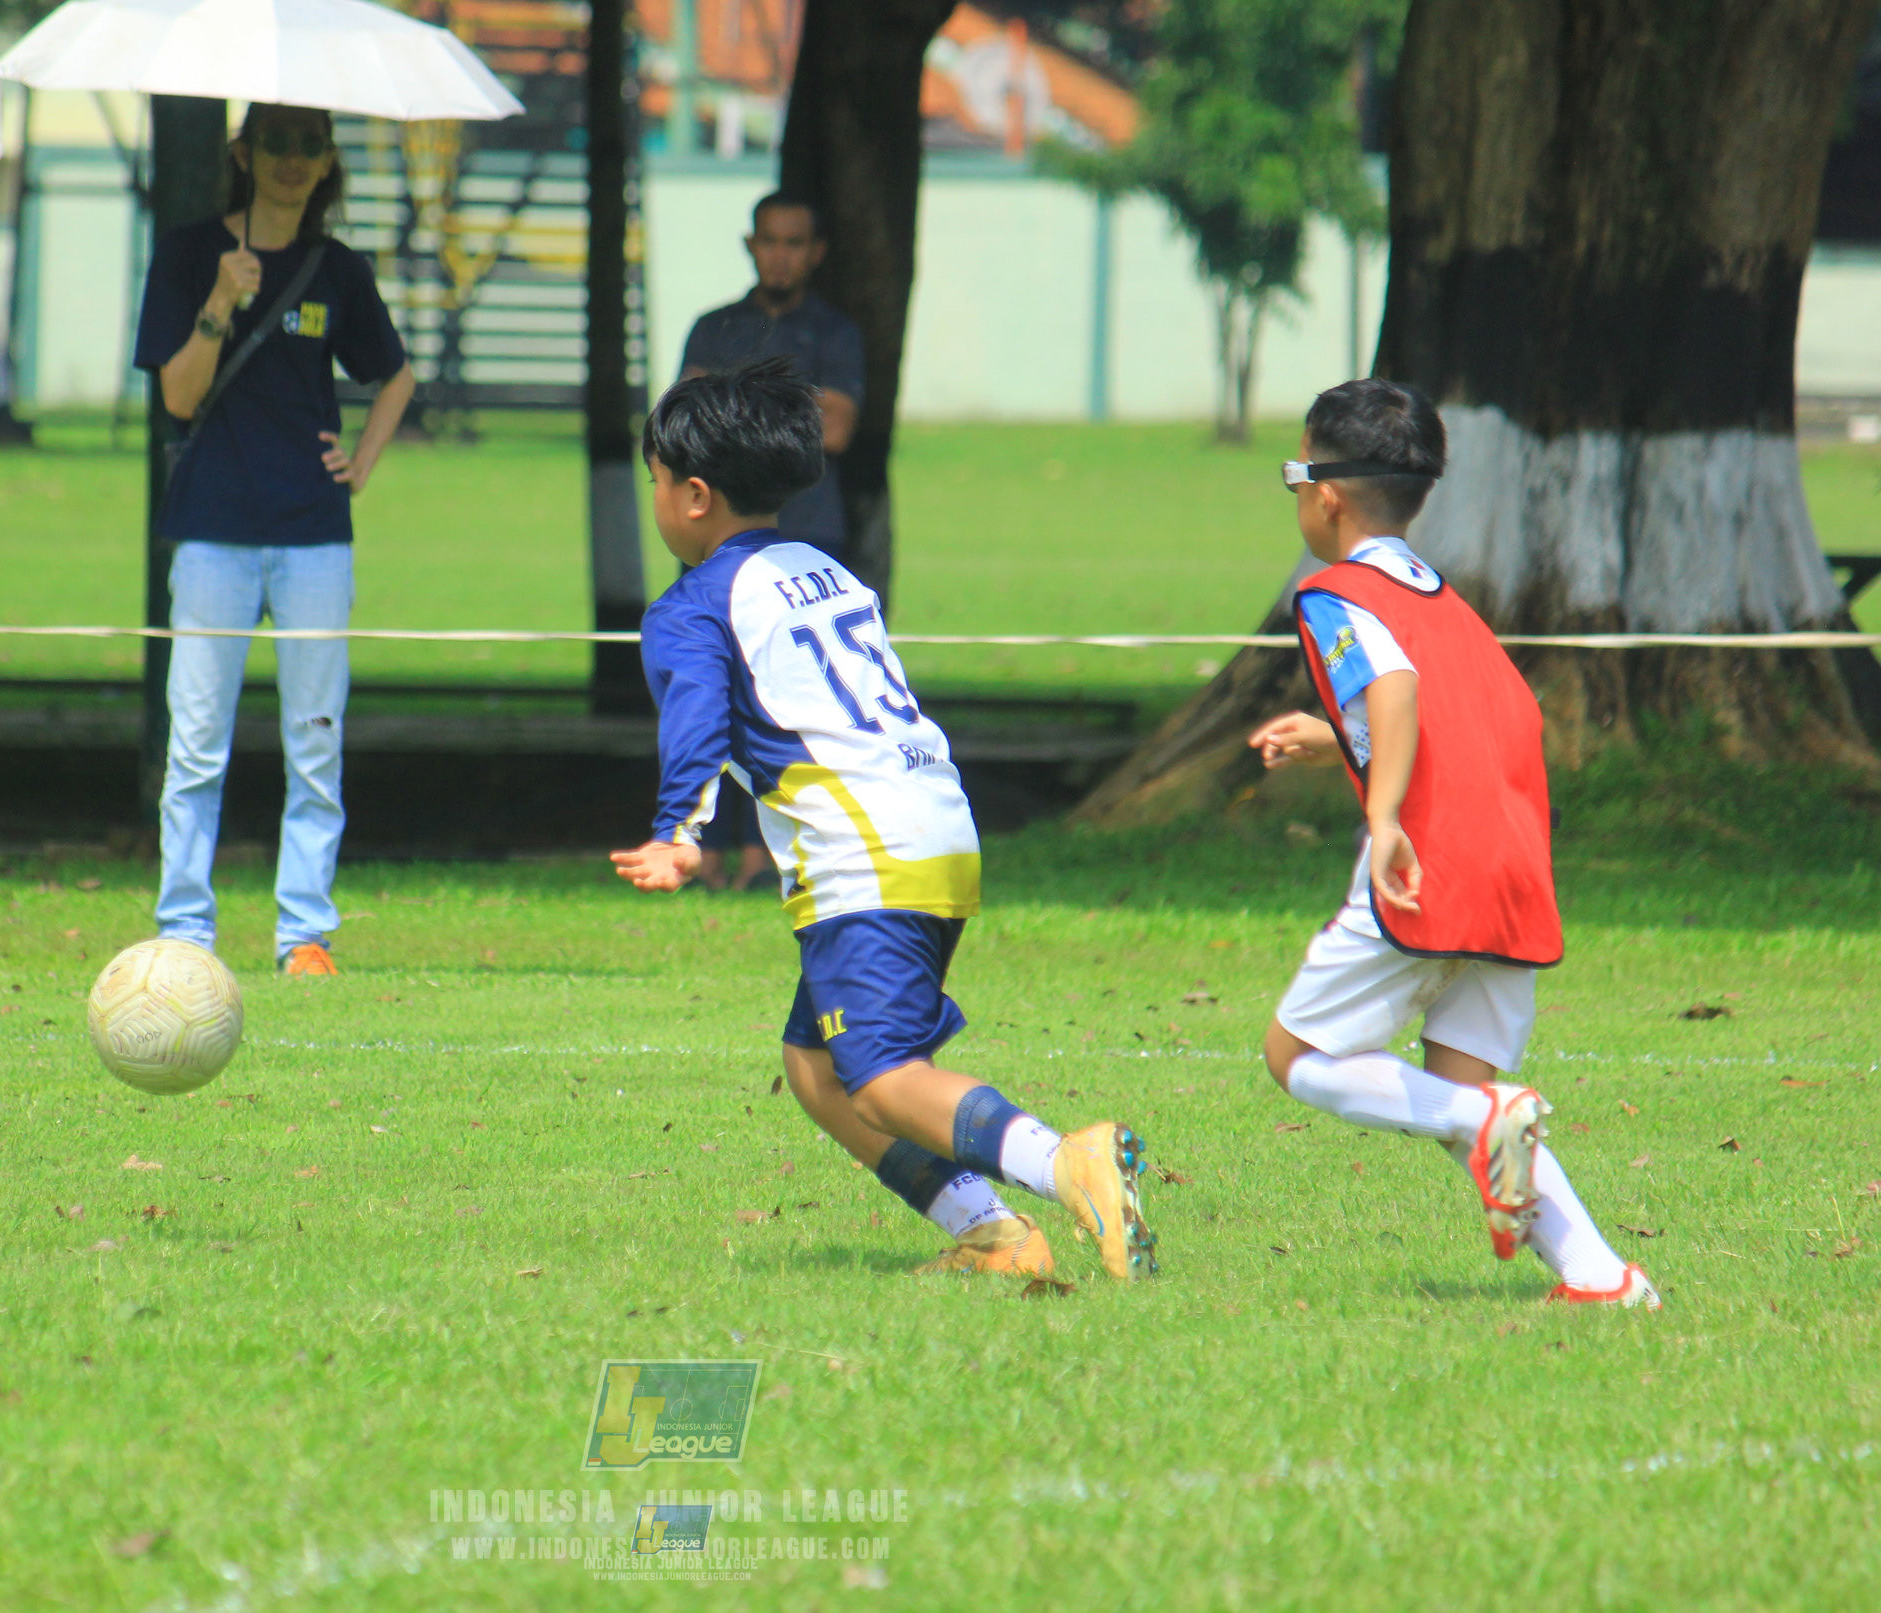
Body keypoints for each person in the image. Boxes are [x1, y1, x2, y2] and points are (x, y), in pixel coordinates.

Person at [612, 359, 1158, 1282]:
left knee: (878, 1074)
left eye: (656, 480)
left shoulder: (691, 606)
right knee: (815, 1069)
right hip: (936, 825)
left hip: (863, 855)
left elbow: (697, 717)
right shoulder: (818, 566)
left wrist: (679, 832)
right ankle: (996, 1238)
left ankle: (1064, 1161)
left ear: (694, 494)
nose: (656, 497)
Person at [1249, 378, 1658, 1309]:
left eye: (1293, 474)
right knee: (1455, 1086)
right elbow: (1474, 716)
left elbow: (1390, 689)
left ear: (1327, 493)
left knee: (1298, 1056)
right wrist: (1335, 739)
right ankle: (1600, 1274)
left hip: (1427, 863)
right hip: (1513, 869)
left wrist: (1384, 812)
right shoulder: (1444, 601)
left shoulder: (1332, 591)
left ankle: (1488, 1120)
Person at [133, 104, 416, 977]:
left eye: (309, 145)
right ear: (243, 154)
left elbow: (395, 375)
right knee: (196, 740)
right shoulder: (187, 254)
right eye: (277, 144)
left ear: (327, 160)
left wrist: (360, 462)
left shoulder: (338, 269)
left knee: (315, 735)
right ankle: (184, 926)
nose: (293, 161)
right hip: (213, 531)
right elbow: (178, 399)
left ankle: (304, 933)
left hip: (312, 538)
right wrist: (221, 299)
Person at [677, 192, 864, 565]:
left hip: (810, 533)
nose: (780, 256)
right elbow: (685, 428)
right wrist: (796, 407)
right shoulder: (714, 328)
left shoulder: (836, 333)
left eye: (794, 243)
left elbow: (835, 430)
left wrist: (728, 405)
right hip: (718, 533)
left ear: (816, 251)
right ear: (750, 245)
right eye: (769, 241)